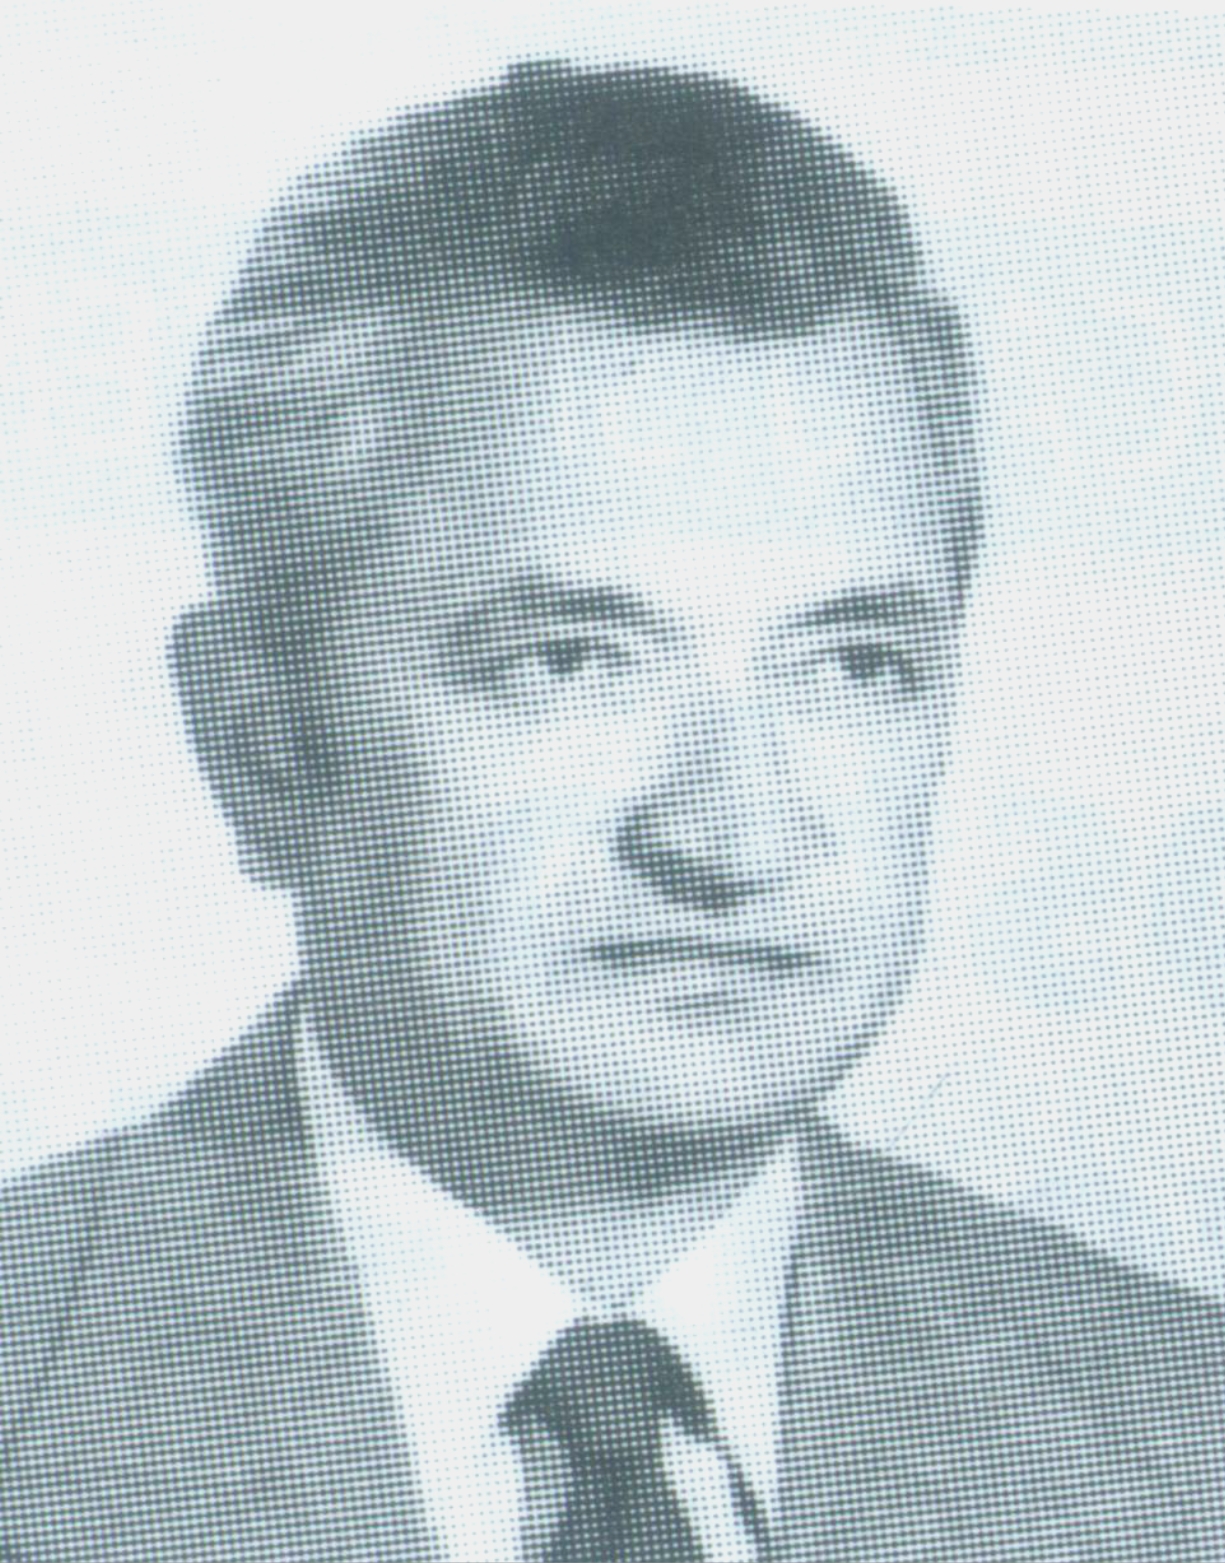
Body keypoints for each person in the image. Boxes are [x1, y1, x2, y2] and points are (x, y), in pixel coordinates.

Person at [0, 58, 1221, 1563]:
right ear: (260, 744)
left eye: (852, 664)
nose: (732, 838)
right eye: (569, 661)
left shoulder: (1187, 1435)